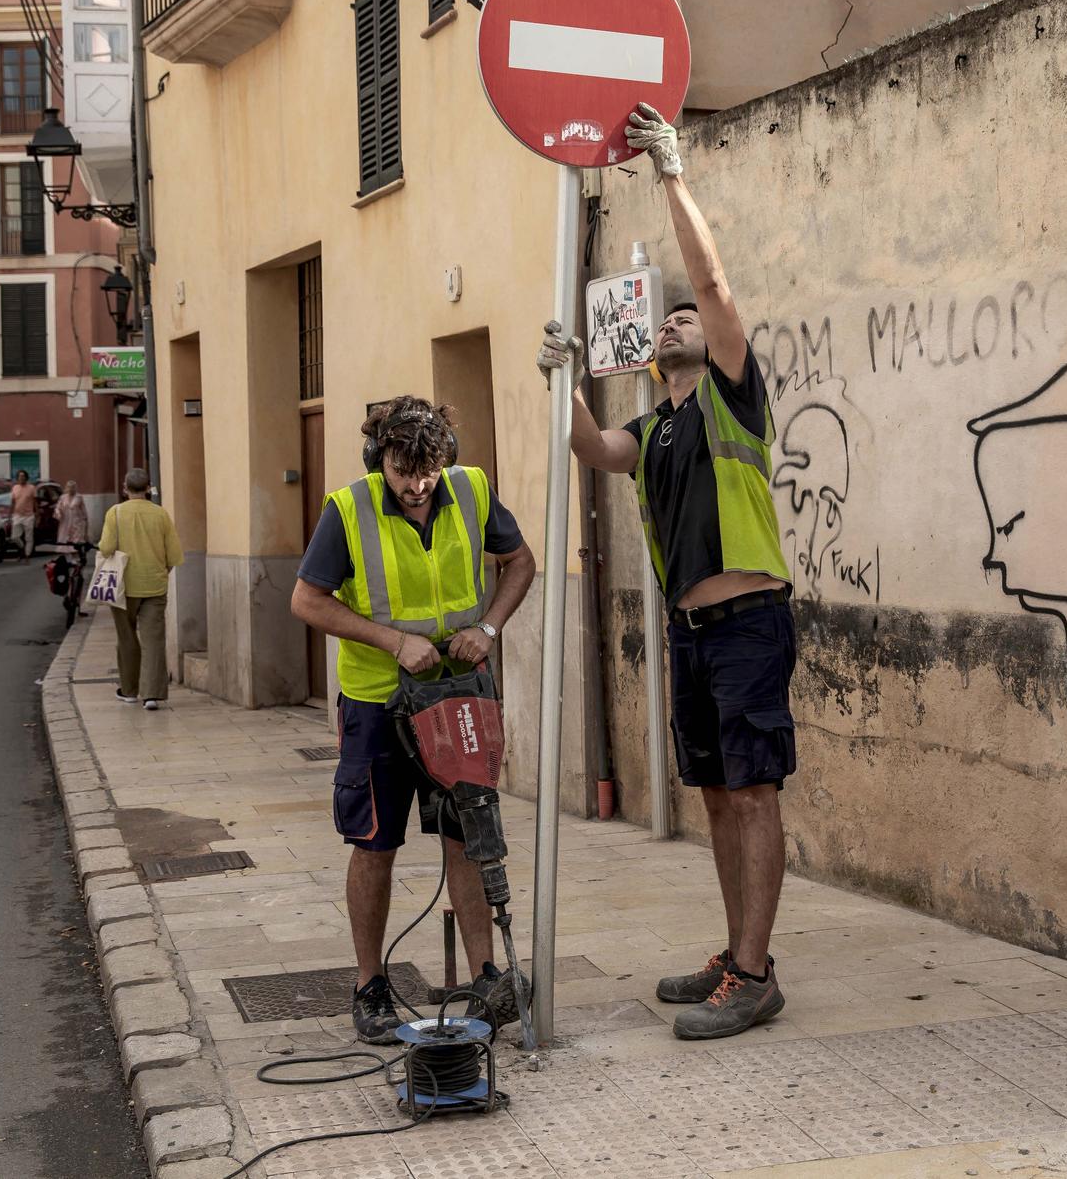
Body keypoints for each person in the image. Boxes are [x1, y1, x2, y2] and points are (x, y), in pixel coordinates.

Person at [538, 102, 797, 1041]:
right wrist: (560, 372)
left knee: (755, 787)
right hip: (691, 635)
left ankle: (758, 973)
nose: (681, 319)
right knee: (719, 794)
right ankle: (737, 955)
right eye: (669, 320)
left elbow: (718, 281)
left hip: (749, 623)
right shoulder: (650, 429)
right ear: (653, 357)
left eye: (689, 316)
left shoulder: (732, 393)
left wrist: (671, 172)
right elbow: (587, 445)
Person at [289, 397, 537, 1045]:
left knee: (469, 833)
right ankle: (370, 985)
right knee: (376, 844)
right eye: (404, 471)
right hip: (377, 703)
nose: (418, 485)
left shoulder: (472, 488)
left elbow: (521, 562)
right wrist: (391, 640)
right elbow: (306, 599)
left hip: (457, 696)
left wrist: (489, 626)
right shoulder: (349, 510)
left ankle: (487, 977)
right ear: (380, 460)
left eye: (429, 471)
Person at [97, 468, 183, 710]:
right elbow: (173, 554)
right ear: (148, 488)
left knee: (126, 637)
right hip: (154, 585)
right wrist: (161, 571)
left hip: (122, 586)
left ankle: (129, 690)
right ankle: (152, 695)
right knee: (153, 639)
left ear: (125, 488)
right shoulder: (161, 515)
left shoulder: (115, 513)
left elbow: (106, 547)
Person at [56, 481, 93, 617]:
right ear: (66, 488)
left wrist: (87, 535)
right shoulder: (62, 499)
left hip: (78, 533)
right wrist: (58, 513)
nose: (71, 490)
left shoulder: (79, 498)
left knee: (79, 568)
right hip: (65, 534)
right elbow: (57, 512)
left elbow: (85, 516)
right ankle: (67, 595)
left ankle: (77, 601)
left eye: (73, 488)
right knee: (67, 567)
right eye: (69, 487)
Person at [8, 470, 38, 560]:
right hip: (17, 515)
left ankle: (27, 555)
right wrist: (10, 514)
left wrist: (37, 514)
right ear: (17, 478)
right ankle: (22, 548)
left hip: (28, 516)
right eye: (20, 477)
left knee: (29, 537)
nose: (21, 478)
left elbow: (35, 502)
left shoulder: (31, 488)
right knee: (15, 537)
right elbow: (13, 502)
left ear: (26, 477)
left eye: (23, 476)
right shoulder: (15, 488)